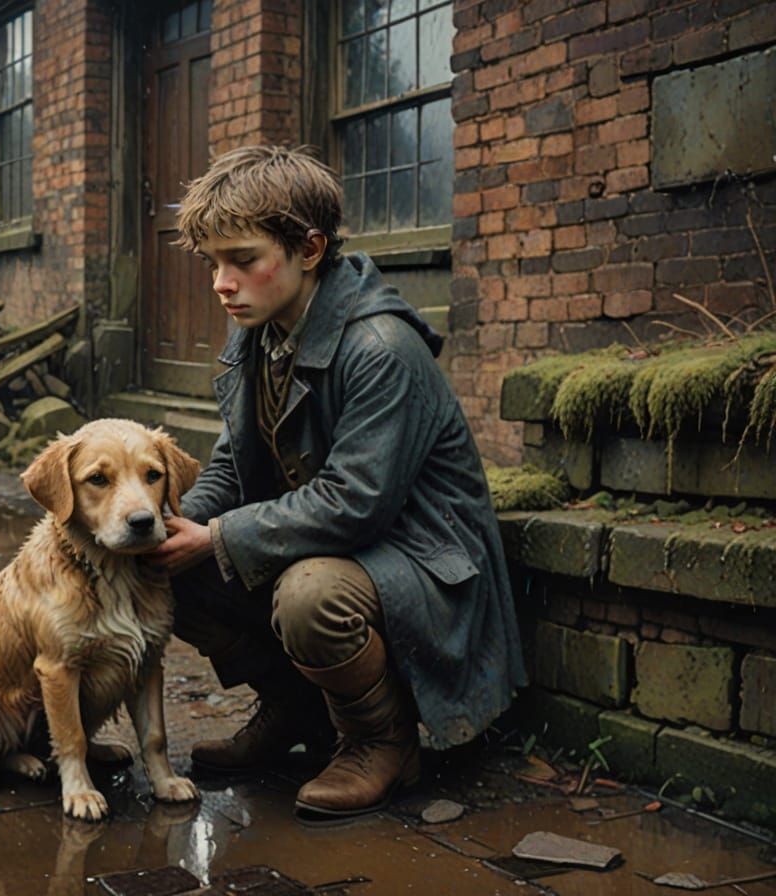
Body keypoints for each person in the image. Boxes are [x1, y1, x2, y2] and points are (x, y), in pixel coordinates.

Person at [150, 145, 526, 821]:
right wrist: (175, 527)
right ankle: (297, 713)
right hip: (339, 545)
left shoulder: (381, 347)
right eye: (213, 263)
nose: (221, 283)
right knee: (168, 574)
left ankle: (380, 740)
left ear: (311, 248)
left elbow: (354, 504)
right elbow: (237, 462)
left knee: (309, 597)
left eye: (242, 259)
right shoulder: (261, 334)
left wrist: (217, 538)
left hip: (420, 562)